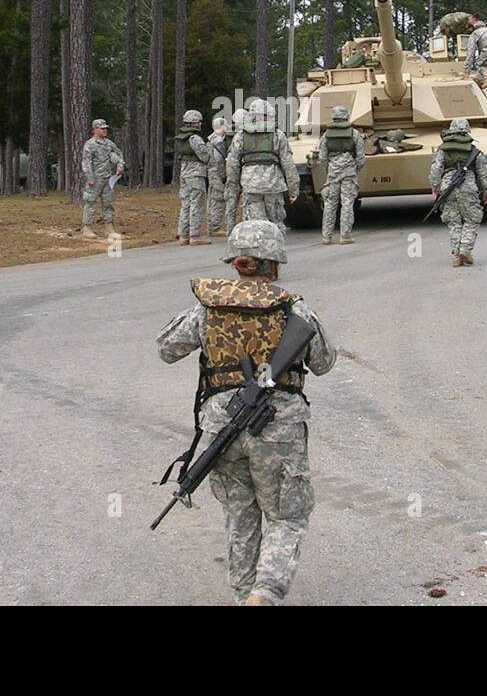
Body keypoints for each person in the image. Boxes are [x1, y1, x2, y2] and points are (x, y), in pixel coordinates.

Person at [155, 220, 335, 605]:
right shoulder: (294, 309)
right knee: (287, 516)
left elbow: (166, 348)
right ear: (274, 264)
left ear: (235, 263)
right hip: (278, 428)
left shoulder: (208, 309)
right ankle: (266, 592)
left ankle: (244, 595)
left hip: (222, 429)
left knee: (240, 513)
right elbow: (323, 362)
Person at [428, 117, 487, 267]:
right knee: (472, 219)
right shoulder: (474, 151)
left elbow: (435, 170)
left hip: (447, 186)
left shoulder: (442, 149)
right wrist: (486, 190)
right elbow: (483, 172)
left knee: (453, 222)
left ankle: (456, 257)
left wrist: (435, 188)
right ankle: (465, 248)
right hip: (468, 186)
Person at [225, 99, 298, 227]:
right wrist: (293, 190)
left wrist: (234, 188)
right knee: (276, 224)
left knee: (254, 225)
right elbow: (288, 165)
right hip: (273, 186)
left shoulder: (240, 136)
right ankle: (275, 246)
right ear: (267, 115)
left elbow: (232, 165)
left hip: (250, 186)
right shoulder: (278, 135)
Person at [318, 105, 364, 245]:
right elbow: (361, 158)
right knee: (347, 203)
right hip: (349, 171)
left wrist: (329, 170)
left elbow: (322, 157)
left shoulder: (326, 135)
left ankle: (326, 236)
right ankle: (345, 236)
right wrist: (355, 169)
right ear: (346, 117)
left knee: (330, 203)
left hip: (333, 171)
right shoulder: (354, 133)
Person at [175, 109, 213, 245]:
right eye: (199, 122)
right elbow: (205, 156)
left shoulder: (181, 138)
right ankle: (195, 235)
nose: (201, 124)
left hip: (184, 173)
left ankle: (183, 234)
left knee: (185, 204)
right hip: (196, 174)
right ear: (194, 123)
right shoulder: (195, 138)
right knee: (196, 204)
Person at [81, 118, 124, 239]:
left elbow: (119, 154)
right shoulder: (90, 144)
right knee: (90, 202)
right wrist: (90, 178)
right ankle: (86, 227)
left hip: (108, 179)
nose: (105, 130)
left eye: (105, 128)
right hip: (95, 179)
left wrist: (120, 165)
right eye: (102, 128)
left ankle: (109, 228)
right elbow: (86, 162)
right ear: (95, 130)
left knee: (108, 203)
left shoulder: (109, 144)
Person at [206, 115, 231, 237]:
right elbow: (219, 159)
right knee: (218, 199)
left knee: (213, 199)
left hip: (213, 173)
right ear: (222, 126)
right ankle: (215, 227)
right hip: (216, 174)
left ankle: (212, 226)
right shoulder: (218, 141)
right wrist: (223, 174)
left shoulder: (211, 140)